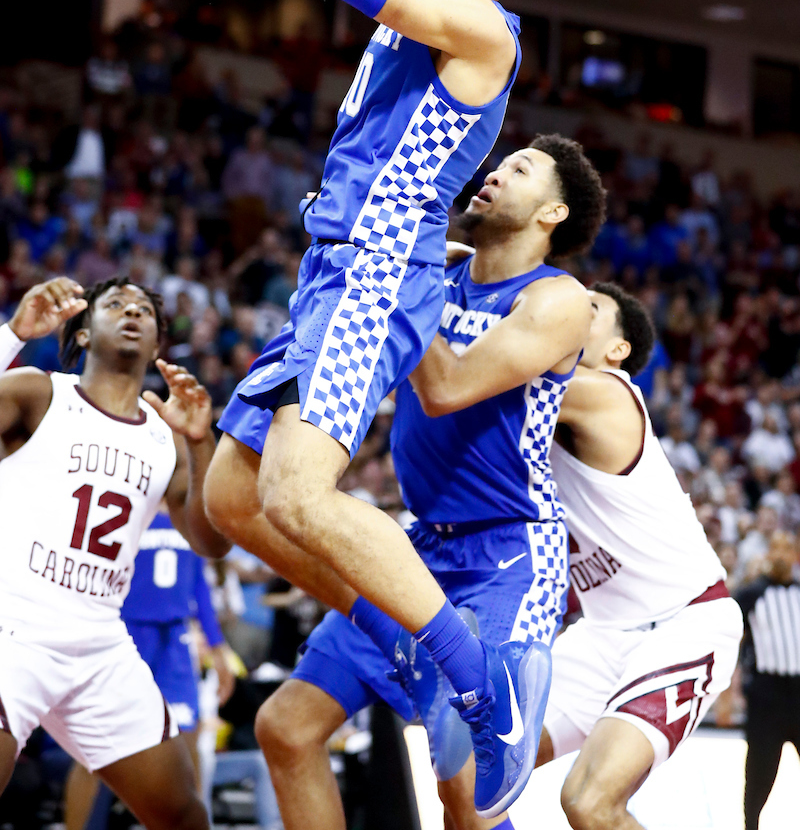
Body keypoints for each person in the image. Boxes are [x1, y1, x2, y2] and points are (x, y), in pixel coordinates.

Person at [204, 0, 589, 815]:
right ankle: (418, 649)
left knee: (295, 490)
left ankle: (482, 688)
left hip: (378, 269)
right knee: (234, 497)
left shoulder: (477, 24)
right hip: (333, 268)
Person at [246, 134, 606, 830]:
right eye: (498, 163)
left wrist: (399, 279)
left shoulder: (560, 300)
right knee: (285, 727)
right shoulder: (442, 274)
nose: (494, 174)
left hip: (508, 554)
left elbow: (447, 387)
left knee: (466, 794)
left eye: (519, 169)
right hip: (420, 547)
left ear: (552, 213)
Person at [0, 276, 230, 830]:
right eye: (116, 304)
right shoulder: (38, 392)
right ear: (81, 333)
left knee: (183, 815)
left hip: (101, 645)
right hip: (15, 631)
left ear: (156, 345)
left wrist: (202, 446)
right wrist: (11, 335)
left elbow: (211, 541)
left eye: (145, 309)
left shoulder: (165, 435)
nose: (133, 311)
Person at [527, 283, 743, 830]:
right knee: (474, 772)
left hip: (684, 621)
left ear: (617, 349)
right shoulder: (541, 415)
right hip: (603, 632)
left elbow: (492, 370)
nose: (573, 307)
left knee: (587, 801)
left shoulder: (605, 391)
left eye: (591, 307)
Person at [63, 503, 237, 830]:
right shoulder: (126, 499)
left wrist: (217, 647)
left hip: (174, 638)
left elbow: (198, 583)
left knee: (188, 741)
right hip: (125, 632)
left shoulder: (188, 510)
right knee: (91, 752)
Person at [736, 529, 800, 830]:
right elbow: (728, 636)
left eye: (787, 549)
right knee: (760, 776)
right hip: (767, 698)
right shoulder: (752, 593)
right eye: (775, 548)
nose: (781, 555)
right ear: (767, 554)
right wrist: (727, 693)